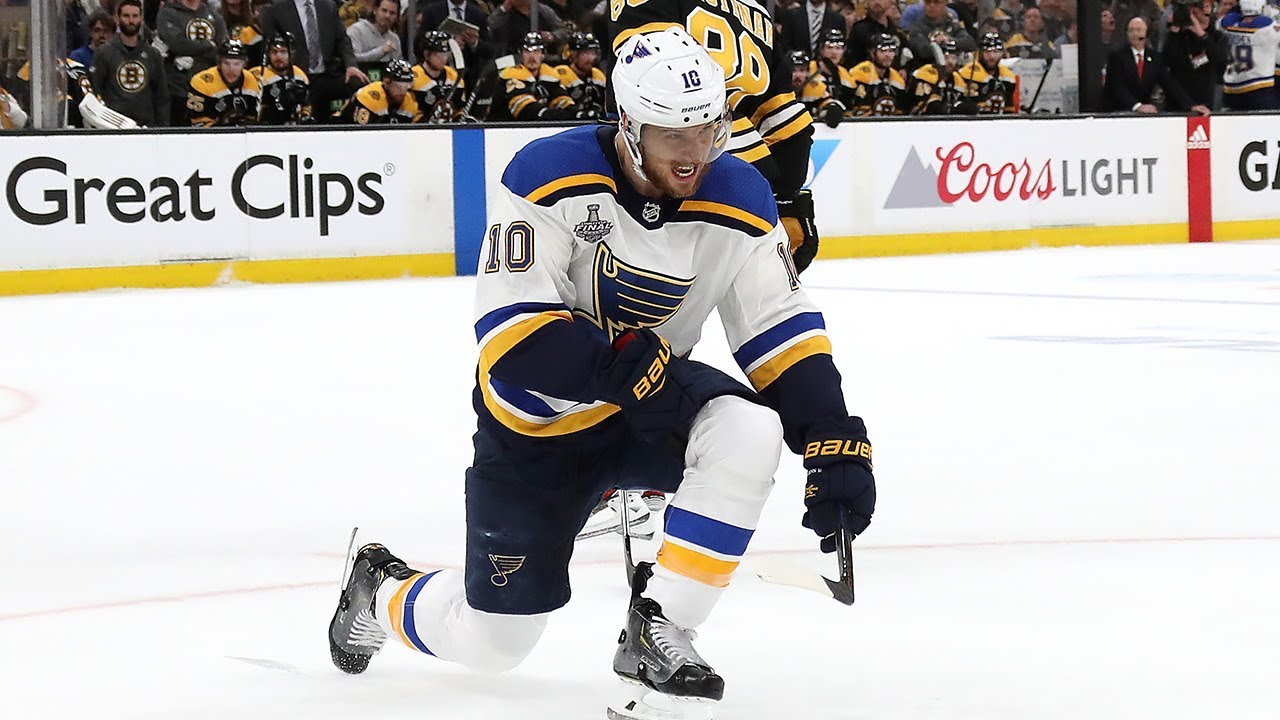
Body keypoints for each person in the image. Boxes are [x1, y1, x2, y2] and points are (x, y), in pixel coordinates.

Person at [326, 28, 876, 720]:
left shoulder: (741, 194)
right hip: (536, 427)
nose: (697, 153)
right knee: (496, 643)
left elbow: (778, 328)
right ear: (628, 123)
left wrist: (829, 431)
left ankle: (664, 626)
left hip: (647, 401)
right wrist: (612, 362)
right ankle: (378, 587)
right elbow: (509, 336)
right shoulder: (547, 175)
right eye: (675, 136)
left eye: (710, 129)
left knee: (749, 429)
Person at [610, 0, 822, 274]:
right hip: (674, 174)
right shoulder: (754, 9)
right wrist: (774, 188)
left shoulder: (755, 9)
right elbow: (654, 89)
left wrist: (785, 198)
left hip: (694, 168)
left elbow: (776, 105)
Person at [261, 0, 370, 118]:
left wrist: (351, 65)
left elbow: (342, 39)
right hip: (295, 76)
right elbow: (269, 44)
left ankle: (349, 128)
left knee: (358, 84)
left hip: (326, 74)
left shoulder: (328, 5)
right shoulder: (277, 8)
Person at [91, 0, 171, 127]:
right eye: (126, 16)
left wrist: (161, 127)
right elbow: (95, 90)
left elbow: (161, 95)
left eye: (135, 16)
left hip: (146, 127)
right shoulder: (104, 53)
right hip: (113, 126)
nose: (131, 21)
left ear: (141, 19)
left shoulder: (152, 54)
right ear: (117, 19)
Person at [1103, 17, 1207, 113]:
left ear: (1146, 33)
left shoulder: (1155, 58)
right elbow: (1117, 86)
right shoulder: (1117, 56)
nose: (1134, 33)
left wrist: (1191, 105)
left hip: (1144, 114)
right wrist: (1137, 106)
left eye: (1138, 30)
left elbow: (1169, 84)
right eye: (1131, 30)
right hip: (1117, 112)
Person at [158, 0, 228, 127]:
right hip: (178, 89)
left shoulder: (214, 15)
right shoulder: (168, 13)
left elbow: (223, 49)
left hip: (210, 89)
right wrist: (208, 45)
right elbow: (176, 43)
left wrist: (190, 50)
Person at [487, 32, 583, 120]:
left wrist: (578, 114)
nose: (532, 57)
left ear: (542, 54)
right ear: (521, 54)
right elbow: (526, 111)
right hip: (502, 131)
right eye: (527, 51)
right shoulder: (511, 75)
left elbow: (561, 99)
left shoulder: (549, 75)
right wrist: (558, 115)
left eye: (536, 51)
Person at [1163, 0, 1225, 111]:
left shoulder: (1217, 36)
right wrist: (1174, 32)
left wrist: (1201, 34)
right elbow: (1166, 61)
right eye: (1191, 7)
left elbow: (1220, 59)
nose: (1194, 12)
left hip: (1205, 101)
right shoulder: (1179, 36)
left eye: (1198, 6)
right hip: (1176, 101)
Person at [1220, 0, 1280, 109]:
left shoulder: (1229, 24)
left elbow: (1220, 23)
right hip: (1258, 86)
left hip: (1231, 88)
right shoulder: (1267, 27)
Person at [188, 38, 262, 125]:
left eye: (236, 64)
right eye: (226, 63)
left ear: (244, 64)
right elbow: (198, 124)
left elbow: (252, 117)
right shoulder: (202, 82)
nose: (231, 69)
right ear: (219, 63)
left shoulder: (251, 80)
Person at [336, 57, 423, 121]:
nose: (402, 92)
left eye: (407, 86)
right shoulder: (368, 97)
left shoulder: (409, 102)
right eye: (398, 86)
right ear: (386, 81)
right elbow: (360, 135)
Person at [253, 31, 313, 123]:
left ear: (291, 53)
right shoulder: (257, 74)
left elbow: (306, 105)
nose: (278, 57)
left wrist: (305, 116)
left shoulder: (300, 76)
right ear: (268, 54)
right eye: (274, 52)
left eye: (283, 52)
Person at [412, 30, 468, 122]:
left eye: (446, 54)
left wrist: (461, 120)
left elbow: (459, 109)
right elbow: (411, 112)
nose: (444, 59)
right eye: (439, 55)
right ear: (426, 54)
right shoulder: (414, 77)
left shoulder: (454, 76)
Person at [958, 30, 1020, 113]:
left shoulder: (1008, 78)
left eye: (996, 52)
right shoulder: (966, 74)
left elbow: (1009, 108)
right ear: (980, 53)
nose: (992, 56)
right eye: (988, 52)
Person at [908, 35, 969, 114]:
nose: (950, 62)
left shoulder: (957, 78)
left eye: (954, 58)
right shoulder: (926, 72)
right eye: (946, 57)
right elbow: (923, 103)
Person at [849, 32, 906, 114]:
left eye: (891, 51)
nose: (887, 55)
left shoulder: (898, 80)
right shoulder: (859, 73)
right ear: (872, 52)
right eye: (882, 51)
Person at [554, 31, 607, 118]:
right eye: (585, 53)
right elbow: (560, 107)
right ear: (573, 54)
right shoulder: (561, 73)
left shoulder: (598, 74)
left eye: (593, 53)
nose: (591, 58)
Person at [778, 0, 846, 55]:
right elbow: (785, 46)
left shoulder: (838, 19)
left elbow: (840, 47)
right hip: (796, 68)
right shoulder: (791, 16)